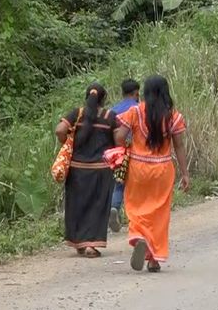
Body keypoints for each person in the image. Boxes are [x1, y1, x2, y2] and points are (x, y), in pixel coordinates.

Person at [115, 75, 190, 272]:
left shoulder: (135, 112)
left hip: (138, 168)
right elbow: (179, 146)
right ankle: (153, 258)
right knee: (159, 213)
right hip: (162, 169)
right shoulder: (173, 116)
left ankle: (138, 236)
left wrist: (125, 149)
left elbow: (120, 136)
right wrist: (185, 174)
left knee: (136, 206)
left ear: (145, 92)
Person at [55, 83, 119, 258]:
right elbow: (119, 138)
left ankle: (79, 243)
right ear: (103, 98)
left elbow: (60, 130)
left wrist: (68, 143)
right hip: (101, 169)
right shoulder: (109, 116)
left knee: (77, 205)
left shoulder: (77, 114)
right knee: (98, 206)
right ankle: (91, 245)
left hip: (77, 169)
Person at [108, 79, 140, 233]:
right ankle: (135, 219)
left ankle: (114, 208)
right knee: (136, 186)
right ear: (136, 93)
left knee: (118, 183)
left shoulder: (113, 111)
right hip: (137, 152)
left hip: (118, 152)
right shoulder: (139, 109)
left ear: (122, 93)